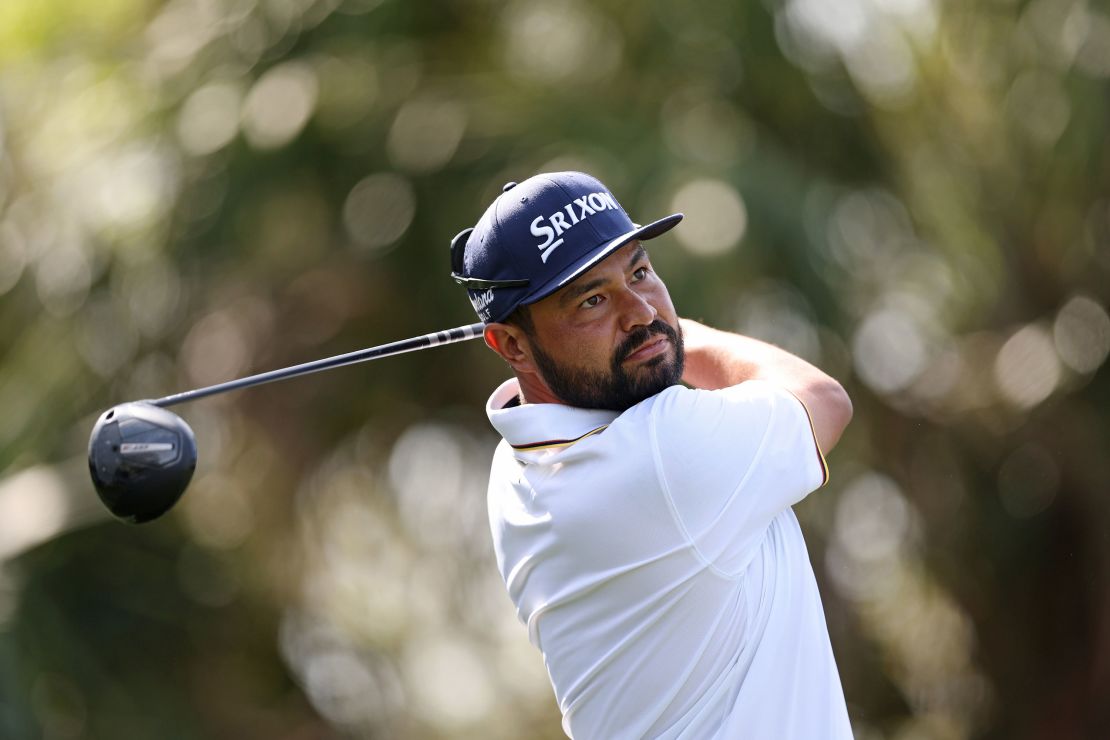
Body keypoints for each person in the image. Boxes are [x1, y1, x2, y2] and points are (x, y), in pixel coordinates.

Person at [450, 171, 854, 739]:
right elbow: (824, 401)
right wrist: (669, 333)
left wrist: (640, 332)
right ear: (512, 344)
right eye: (592, 299)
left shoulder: (514, 470)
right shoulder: (662, 454)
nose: (639, 310)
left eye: (640, 271)